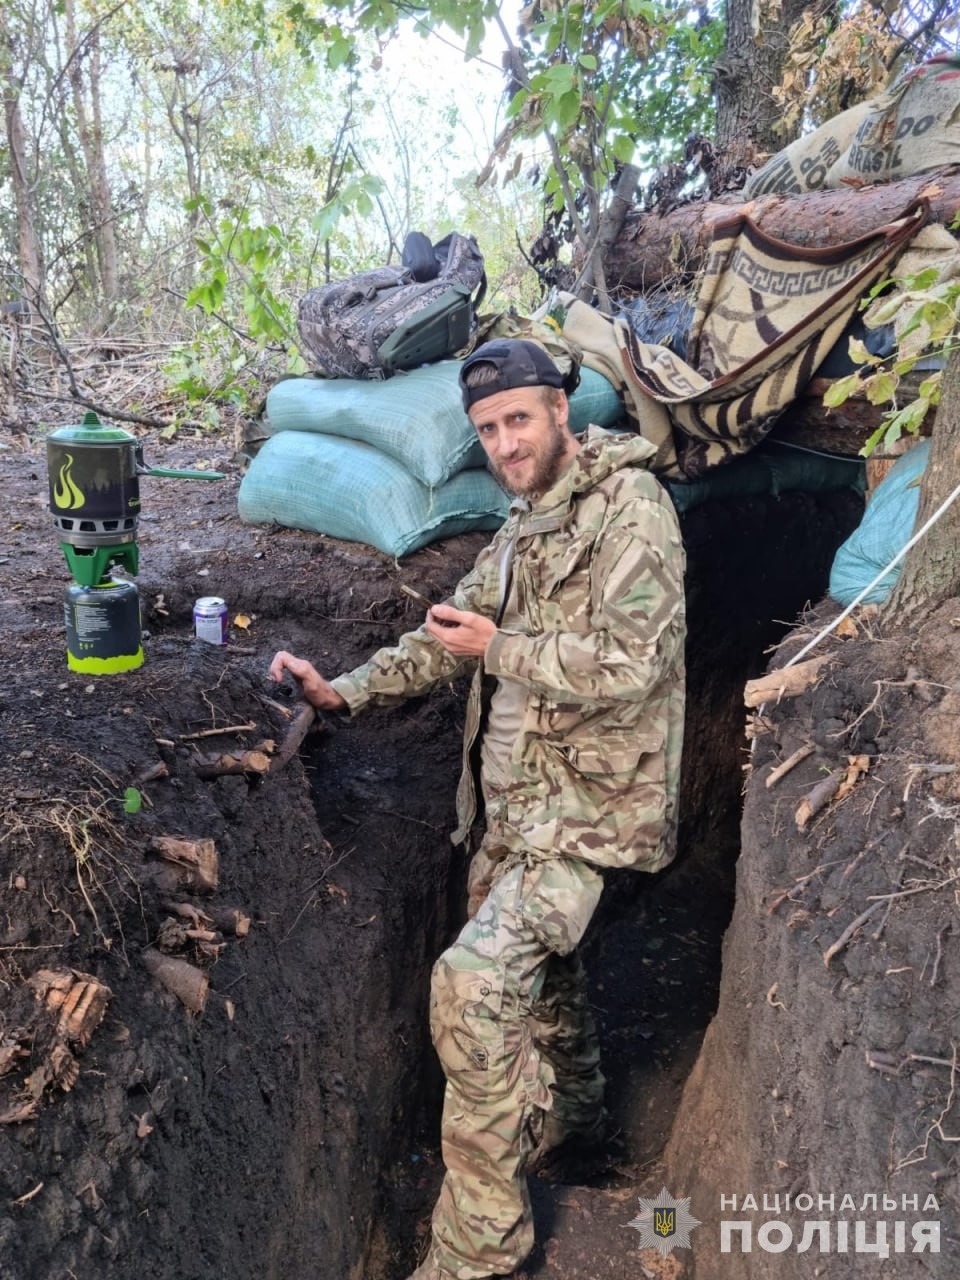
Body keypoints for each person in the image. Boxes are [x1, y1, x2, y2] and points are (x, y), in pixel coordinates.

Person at [269, 338, 686, 1280]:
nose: (504, 441)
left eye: (518, 420)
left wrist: (502, 645)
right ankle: (575, 1111)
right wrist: (346, 690)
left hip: (586, 818)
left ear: (560, 413)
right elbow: (445, 638)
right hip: (511, 812)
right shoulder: (520, 528)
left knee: (473, 985)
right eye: (488, 429)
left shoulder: (633, 512)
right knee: (538, 981)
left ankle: (480, 1249)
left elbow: (633, 667)